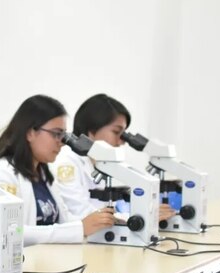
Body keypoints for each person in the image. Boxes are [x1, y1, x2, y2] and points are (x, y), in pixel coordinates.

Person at [0, 95, 116, 245]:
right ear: (30, 132)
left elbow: (64, 219)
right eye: (56, 134)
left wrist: (97, 221)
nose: (62, 143)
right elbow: (11, 232)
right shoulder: (1, 173)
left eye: (63, 136)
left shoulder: (43, 173)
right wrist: (79, 228)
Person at [51, 94, 176, 222]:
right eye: (116, 132)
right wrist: (134, 218)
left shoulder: (101, 163)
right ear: (92, 131)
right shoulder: (67, 163)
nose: (122, 142)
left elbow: (113, 210)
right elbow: (81, 213)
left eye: (124, 135)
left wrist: (146, 212)